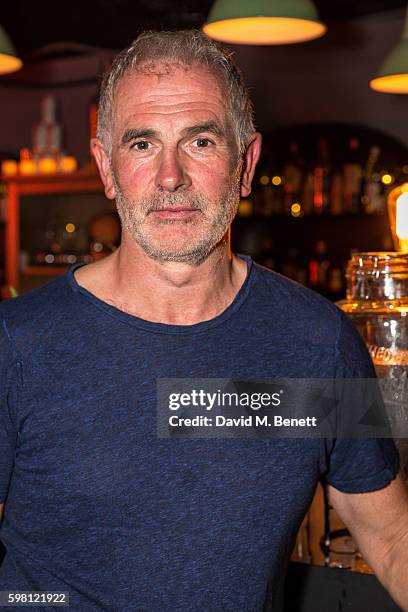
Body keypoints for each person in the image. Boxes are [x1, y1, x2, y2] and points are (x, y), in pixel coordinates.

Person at [0, 29, 407, 612]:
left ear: (246, 165)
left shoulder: (318, 342)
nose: (171, 177)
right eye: (142, 144)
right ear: (106, 168)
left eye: (201, 142)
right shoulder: (17, 345)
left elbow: (391, 537)